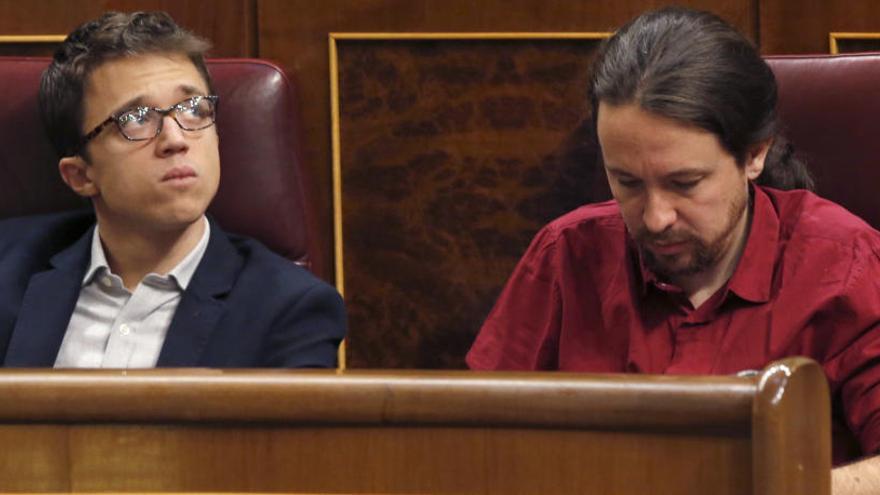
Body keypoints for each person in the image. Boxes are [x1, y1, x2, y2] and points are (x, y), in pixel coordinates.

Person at [466, 7, 880, 493]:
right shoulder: (566, 255)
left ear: (754, 154)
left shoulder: (846, 267)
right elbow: (476, 446)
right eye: (627, 182)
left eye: (684, 183)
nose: (656, 217)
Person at [0, 11, 346, 368]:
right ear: (80, 176)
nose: (176, 139)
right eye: (135, 119)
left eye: (194, 108)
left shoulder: (289, 310)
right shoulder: (9, 269)